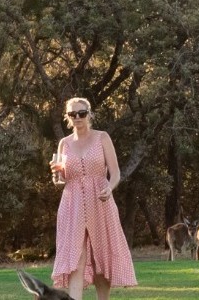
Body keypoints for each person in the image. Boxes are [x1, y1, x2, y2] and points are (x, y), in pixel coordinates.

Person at [47, 97, 135, 299]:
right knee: (76, 258)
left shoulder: (102, 138)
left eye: (81, 113)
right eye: (72, 114)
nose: (77, 118)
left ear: (89, 114)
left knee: (101, 258)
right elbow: (61, 181)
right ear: (68, 118)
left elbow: (115, 173)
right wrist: (55, 175)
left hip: (100, 202)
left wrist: (110, 188)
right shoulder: (64, 144)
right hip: (72, 206)